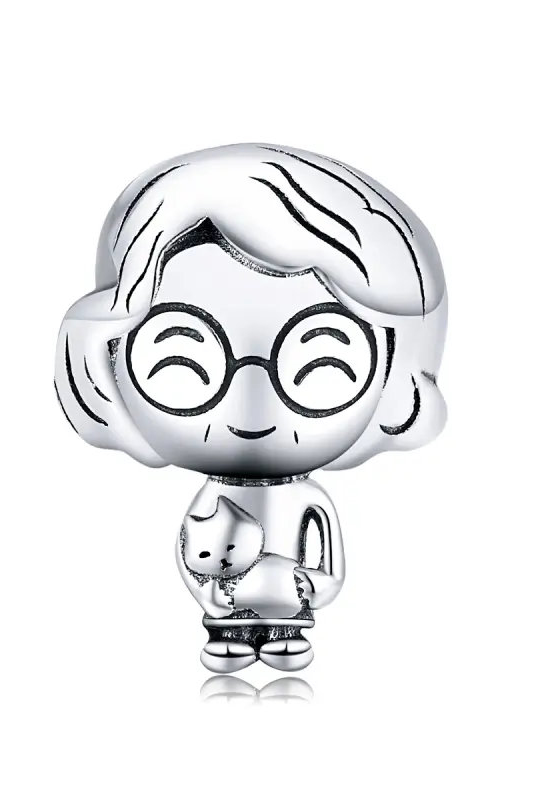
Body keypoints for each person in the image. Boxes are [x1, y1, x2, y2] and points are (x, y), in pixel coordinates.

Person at [54, 143, 448, 672]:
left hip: (293, 610)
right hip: (225, 614)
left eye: (320, 366)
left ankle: (283, 641)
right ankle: (229, 640)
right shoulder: (216, 496)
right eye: (183, 364)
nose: (249, 405)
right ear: (109, 357)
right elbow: (191, 554)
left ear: (393, 375)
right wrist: (212, 598)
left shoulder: (306, 496)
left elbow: (330, 556)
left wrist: (320, 586)